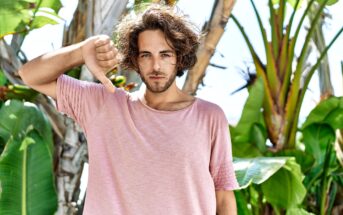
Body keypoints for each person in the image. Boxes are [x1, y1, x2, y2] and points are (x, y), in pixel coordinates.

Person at [19, 5, 239, 215]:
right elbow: (30, 75)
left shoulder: (209, 117)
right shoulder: (103, 104)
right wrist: (81, 51)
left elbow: (223, 197)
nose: (155, 66)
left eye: (165, 55)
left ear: (179, 57)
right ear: (134, 58)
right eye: (146, 55)